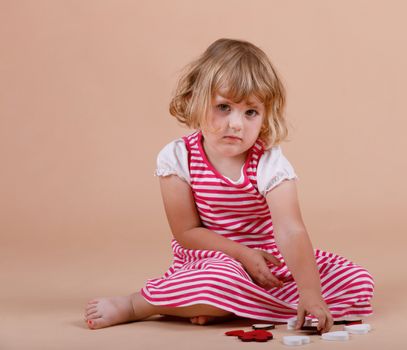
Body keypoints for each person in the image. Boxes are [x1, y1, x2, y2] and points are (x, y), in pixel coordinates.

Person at [84, 38, 374, 333]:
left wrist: (311, 293)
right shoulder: (177, 157)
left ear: (264, 116)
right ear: (197, 101)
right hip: (212, 261)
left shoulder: (269, 162)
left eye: (250, 112)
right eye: (224, 107)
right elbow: (186, 232)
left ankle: (223, 306)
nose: (236, 123)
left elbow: (290, 230)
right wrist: (241, 254)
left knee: (358, 281)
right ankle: (139, 304)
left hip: (267, 264)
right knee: (219, 282)